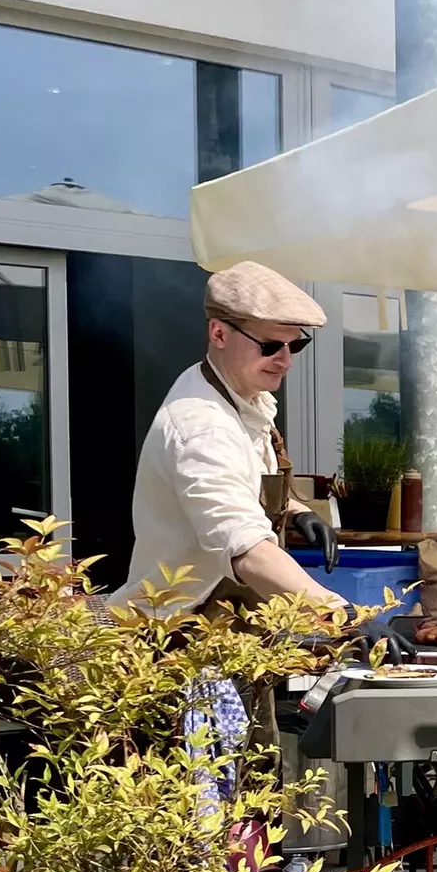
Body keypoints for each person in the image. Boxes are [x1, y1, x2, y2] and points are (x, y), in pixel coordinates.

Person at [110, 261, 341, 613]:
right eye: (269, 346)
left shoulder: (241, 397)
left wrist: (295, 512)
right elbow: (244, 548)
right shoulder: (203, 428)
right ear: (218, 334)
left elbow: (241, 482)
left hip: (232, 616)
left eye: (294, 346)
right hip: (178, 631)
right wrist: (341, 615)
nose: (285, 361)